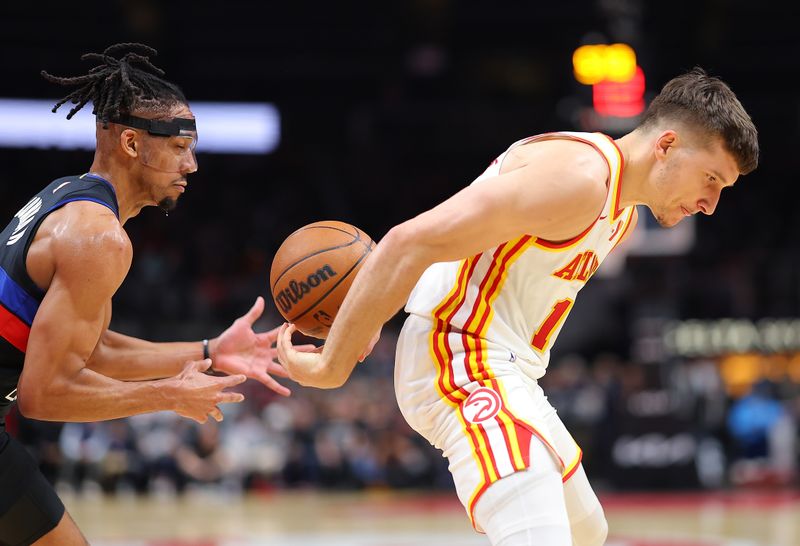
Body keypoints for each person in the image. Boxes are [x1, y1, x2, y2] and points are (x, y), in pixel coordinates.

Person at [277, 67, 759, 545]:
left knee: (586, 531)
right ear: (667, 145)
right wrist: (332, 363)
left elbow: (469, 260)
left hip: (510, 369)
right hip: (459, 357)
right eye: (711, 178)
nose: (711, 204)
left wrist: (375, 312)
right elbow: (409, 241)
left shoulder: (622, 215)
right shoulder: (578, 177)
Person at [0, 43, 307, 546]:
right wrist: (166, 395)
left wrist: (210, 353)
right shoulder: (99, 238)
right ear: (131, 143)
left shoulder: (67, 197)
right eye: (181, 146)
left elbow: (94, 350)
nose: (193, 164)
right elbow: (41, 395)